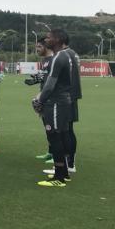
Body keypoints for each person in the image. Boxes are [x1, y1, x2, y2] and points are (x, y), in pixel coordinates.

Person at [34, 29, 74, 187]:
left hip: (56, 103)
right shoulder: (65, 55)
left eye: (49, 38)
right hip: (62, 101)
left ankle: (59, 178)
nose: (46, 40)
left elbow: (50, 84)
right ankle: (64, 173)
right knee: (62, 136)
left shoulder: (58, 57)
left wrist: (39, 101)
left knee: (54, 137)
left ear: (57, 39)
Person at [44, 40, 82, 177]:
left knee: (64, 132)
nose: (48, 41)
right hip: (69, 96)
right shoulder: (71, 54)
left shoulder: (64, 55)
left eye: (50, 37)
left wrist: (41, 99)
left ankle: (66, 166)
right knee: (66, 131)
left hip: (65, 97)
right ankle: (66, 166)